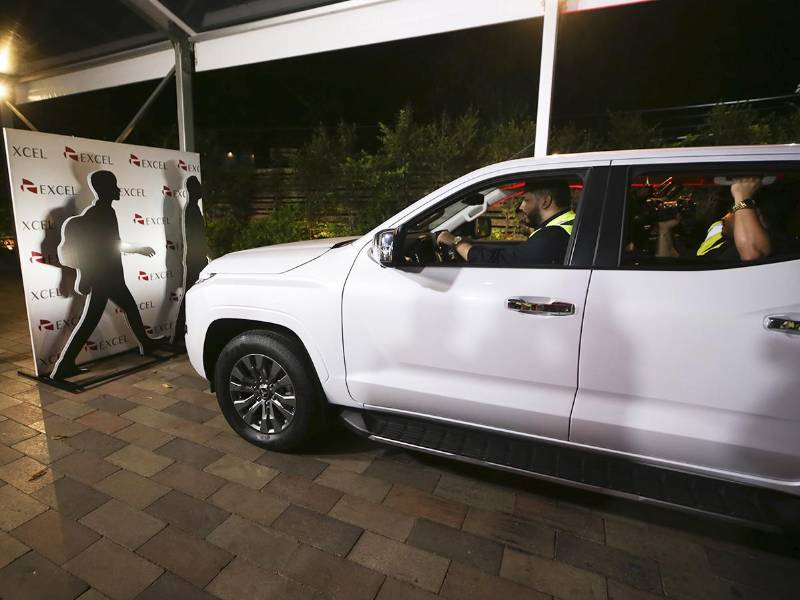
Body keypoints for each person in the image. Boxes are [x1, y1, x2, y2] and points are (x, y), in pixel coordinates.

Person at [51, 170, 163, 380]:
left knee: (126, 309)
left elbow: (110, 245)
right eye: (114, 186)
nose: (118, 189)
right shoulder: (102, 213)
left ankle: (146, 343)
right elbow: (111, 245)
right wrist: (137, 249)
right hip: (105, 277)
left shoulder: (103, 211)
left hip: (109, 276)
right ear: (105, 189)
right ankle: (64, 365)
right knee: (91, 320)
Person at [436, 180, 575, 266]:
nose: (521, 206)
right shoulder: (567, 225)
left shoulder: (553, 236)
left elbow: (500, 262)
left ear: (545, 201)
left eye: (526, 200)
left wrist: (455, 242)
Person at [657, 177, 771, 262]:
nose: (724, 217)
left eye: (734, 210)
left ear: (755, 215)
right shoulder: (723, 243)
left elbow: (751, 254)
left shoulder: (748, 246)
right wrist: (664, 230)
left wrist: (742, 195)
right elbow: (670, 260)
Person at [172, 176, 209, 344]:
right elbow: (196, 237)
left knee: (192, 296)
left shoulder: (193, 208)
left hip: (197, 258)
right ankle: (178, 336)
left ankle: (180, 336)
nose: (201, 190)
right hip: (195, 259)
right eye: (198, 187)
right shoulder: (192, 209)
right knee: (189, 296)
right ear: (192, 190)